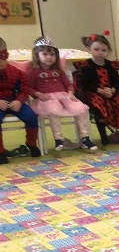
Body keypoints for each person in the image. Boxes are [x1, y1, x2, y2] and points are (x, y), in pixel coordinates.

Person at [27, 37, 98, 153]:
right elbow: (28, 87)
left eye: (52, 54)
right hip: (47, 99)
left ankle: (85, 137)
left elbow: (68, 85)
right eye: (45, 54)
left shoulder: (58, 70)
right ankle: (58, 139)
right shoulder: (33, 71)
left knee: (81, 109)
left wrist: (70, 93)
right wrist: (37, 94)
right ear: (36, 55)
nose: (49, 57)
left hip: (64, 97)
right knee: (53, 110)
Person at [73, 33, 119, 146]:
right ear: (89, 49)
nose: (100, 52)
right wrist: (100, 90)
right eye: (96, 49)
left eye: (103, 50)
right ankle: (103, 136)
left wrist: (112, 90)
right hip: (95, 92)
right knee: (99, 107)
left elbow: (117, 82)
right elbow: (85, 83)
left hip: (111, 91)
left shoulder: (111, 65)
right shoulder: (87, 66)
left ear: (108, 51)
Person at [0, 36, 40, 164]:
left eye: (2, 56)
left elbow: (24, 89)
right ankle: (0, 151)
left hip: (14, 101)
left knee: (31, 116)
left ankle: (31, 143)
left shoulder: (17, 73)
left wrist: (19, 101)